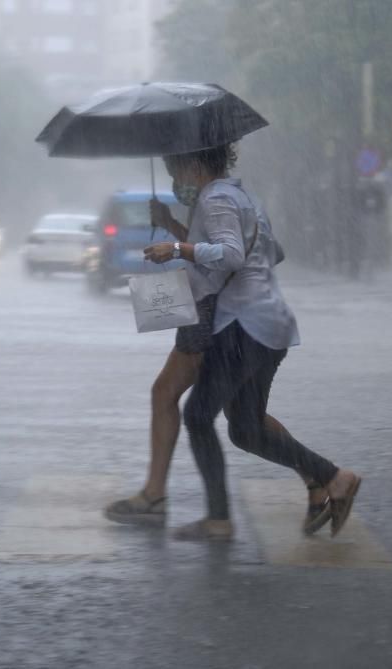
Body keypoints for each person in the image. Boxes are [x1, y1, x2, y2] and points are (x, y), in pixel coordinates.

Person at [104, 145, 339, 536]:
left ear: (193, 162)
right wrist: (175, 228)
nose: (170, 172)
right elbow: (266, 251)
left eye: (172, 163)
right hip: (247, 318)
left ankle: (171, 501)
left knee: (182, 402)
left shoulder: (216, 199)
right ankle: (318, 478)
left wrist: (178, 246)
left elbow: (229, 255)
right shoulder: (241, 195)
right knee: (244, 422)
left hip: (222, 316)